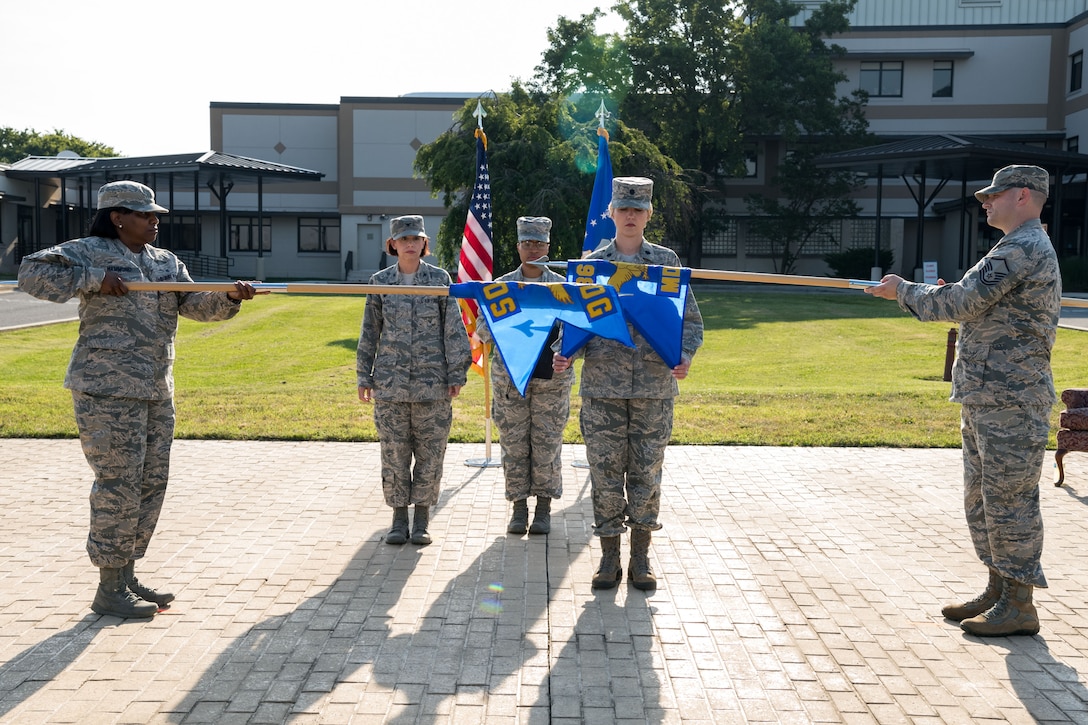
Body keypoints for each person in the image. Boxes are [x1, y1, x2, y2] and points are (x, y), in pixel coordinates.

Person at [16, 180, 262, 619]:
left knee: (150, 482)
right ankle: (108, 587)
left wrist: (228, 297)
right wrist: (92, 279)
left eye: (155, 216)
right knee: (118, 484)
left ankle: (125, 573)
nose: (154, 222)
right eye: (145, 215)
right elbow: (30, 274)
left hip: (154, 388)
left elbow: (195, 305)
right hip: (105, 389)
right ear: (117, 217)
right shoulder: (87, 250)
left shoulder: (165, 262)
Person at [865, 164, 1060, 636]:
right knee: (983, 499)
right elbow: (969, 298)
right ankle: (998, 587)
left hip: (1012, 401)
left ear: (1021, 196)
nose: (985, 203)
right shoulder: (1012, 246)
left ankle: (1019, 604)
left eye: (992, 196)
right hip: (988, 397)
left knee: (1009, 499)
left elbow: (960, 303)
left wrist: (903, 291)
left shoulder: (1024, 246)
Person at [553, 177, 703, 590]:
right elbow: (575, 323)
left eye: (638, 209)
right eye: (624, 208)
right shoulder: (592, 267)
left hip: (654, 387)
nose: (631, 215)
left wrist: (685, 356)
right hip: (602, 389)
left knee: (646, 473)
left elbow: (690, 323)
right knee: (604, 472)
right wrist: (565, 352)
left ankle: (640, 559)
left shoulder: (667, 264)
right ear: (612, 213)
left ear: (649, 214)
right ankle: (607, 559)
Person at [357, 214, 471, 546]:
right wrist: (365, 375)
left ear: (424, 243)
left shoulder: (439, 279)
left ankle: (421, 517)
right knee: (394, 454)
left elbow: (453, 329)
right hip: (390, 386)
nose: (410, 244)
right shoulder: (379, 282)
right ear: (392, 244)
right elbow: (369, 333)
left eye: (415, 238)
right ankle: (397, 518)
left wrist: (456, 372)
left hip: (432, 385)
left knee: (430, 453)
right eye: (403, 239)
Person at [477, 216, 574, 535]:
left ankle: (543, 509)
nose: (533, 250)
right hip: (511, 381)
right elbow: (482, 329)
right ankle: (519, 508)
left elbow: (575, 328)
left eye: (539, 244)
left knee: (547, 444)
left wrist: (565, 352)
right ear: (518, 247)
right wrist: (505, 330)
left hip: (552, 380)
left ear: (548, 247)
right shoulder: (501, 286)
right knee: (514, 444)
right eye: (526, 244)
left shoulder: (563, 287)